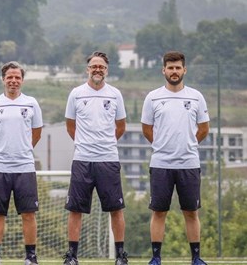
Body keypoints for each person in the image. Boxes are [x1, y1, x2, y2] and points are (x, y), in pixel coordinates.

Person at [141, 51, 210, 265]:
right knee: (159, 212)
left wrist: (189, 144)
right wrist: (162, 145)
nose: (174, 71)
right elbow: (146, 128)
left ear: (184, 70)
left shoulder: (196, 96)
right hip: (161, 164)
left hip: (189, 164)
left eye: (178, 67)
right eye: (170, 68)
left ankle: (196, 258)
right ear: (163, 70)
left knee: (191, 212)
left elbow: (204, 128)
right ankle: (156, 258)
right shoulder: (153, 97)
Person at [63, 51, 128, 265]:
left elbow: (121, 127)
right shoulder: (76, 94)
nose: (97, 69)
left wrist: (105, 143)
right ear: (87, 69)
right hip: (82, 159)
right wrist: (86, 143)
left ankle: (120, 256)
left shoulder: (116, 94)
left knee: (115, 209)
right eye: (94, 66)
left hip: (108, 159)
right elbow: (71, 126)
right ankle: (72, 256)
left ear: (107, 70)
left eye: (101, 66)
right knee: (75, 209)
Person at [0, 61, 43, 265]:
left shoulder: (31, 103)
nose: (13, 81)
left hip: (25, 167)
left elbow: (36, 133)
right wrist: (1, 149)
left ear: (22, 80)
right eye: (10, 77)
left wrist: (23, 149)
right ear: (3, 79)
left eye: (17, 77)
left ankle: (31, 257)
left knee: (28, 214)